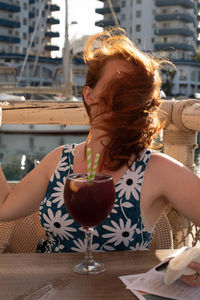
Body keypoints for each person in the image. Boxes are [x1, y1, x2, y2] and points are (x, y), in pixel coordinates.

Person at [0, 28, 200, 286]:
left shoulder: (156, 169)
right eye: (119, 87)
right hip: (51, 290)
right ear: (89, 95)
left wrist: (193, 259)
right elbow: (4, 206)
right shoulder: (59, 160)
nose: (128, 98)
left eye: (137, 91)